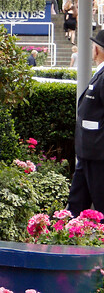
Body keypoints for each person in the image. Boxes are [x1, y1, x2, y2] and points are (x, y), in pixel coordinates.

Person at [68, 31, 104, 216]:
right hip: (88, 154)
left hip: (98, 156)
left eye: (92, 46)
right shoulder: (100, 74)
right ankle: (67, 238)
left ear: (97, 49)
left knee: (101, 204)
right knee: (75, 205)